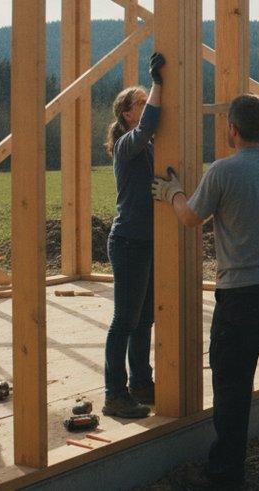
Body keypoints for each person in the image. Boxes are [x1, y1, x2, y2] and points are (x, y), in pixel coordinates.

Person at [152, 93, 259, 489]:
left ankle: (226, 471)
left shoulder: (224, 171)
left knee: (232, 385)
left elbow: (191, 217)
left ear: (232, 129)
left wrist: (171, 192)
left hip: (244, 294)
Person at [100, 52, 165, 419]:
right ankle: (114, 394)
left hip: (149, 241)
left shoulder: (151, 147)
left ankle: (141, 382)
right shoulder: (128, 145)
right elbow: (146, 129)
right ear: (127, 114)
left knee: (144, 319)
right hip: (128, 242)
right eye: (142, 102)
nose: (150, 105)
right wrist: (158, 82)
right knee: (125, 318)